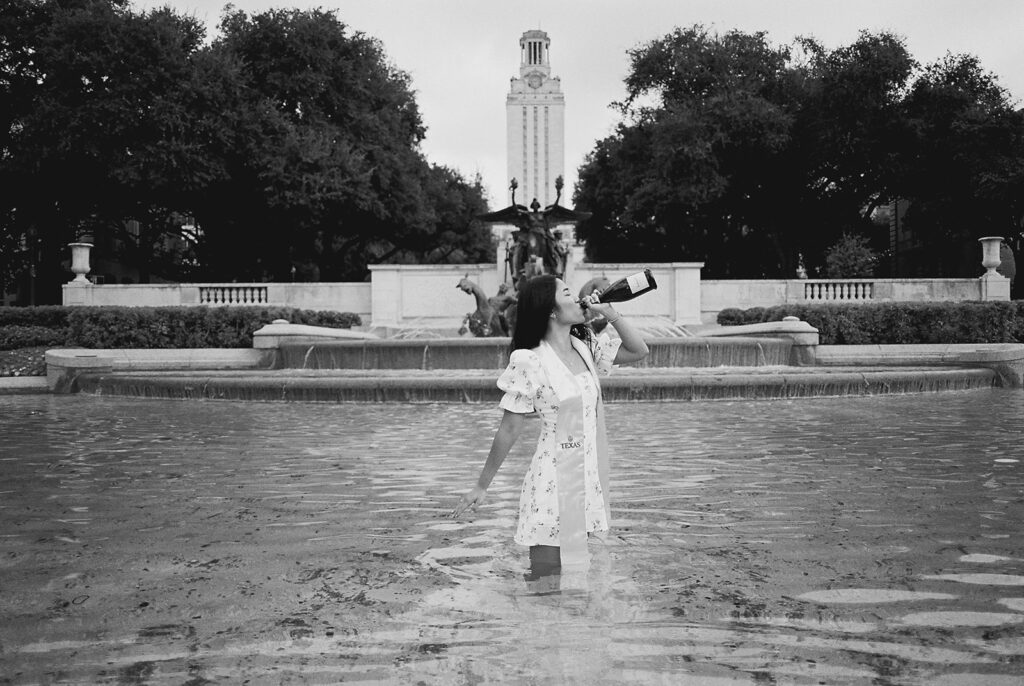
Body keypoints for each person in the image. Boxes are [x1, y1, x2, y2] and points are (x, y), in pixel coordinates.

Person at [449, 274, 650, 577]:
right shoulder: (530, 359)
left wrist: (612, 314)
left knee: (578, 572)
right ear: (552, 311)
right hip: (552, 478)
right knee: (545, 576)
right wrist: (481, 485)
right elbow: (509, 428)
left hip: (585, 477)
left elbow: (639, 351)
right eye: (568, 293)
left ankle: (568, 626)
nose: (580, 297)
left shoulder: (585, 345)